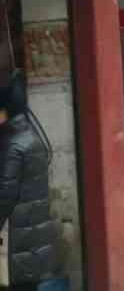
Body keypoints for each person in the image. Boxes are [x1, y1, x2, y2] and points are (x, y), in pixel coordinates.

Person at [0, 72, 58, 289]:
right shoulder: (31, 135)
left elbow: (4, 195)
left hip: (17, 244)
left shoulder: (12, 144)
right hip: (32, 242)